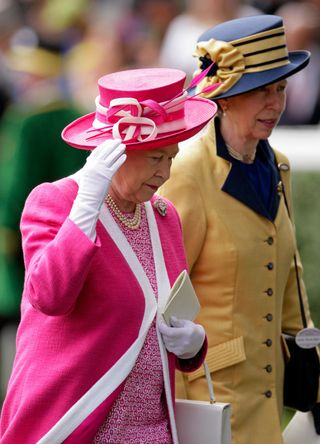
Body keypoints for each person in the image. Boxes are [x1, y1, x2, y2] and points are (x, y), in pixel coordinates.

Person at [0, 66, 217, 443]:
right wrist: (86, 204)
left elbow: (163, 315)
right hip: (79, 424)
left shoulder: (164, 217)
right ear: (115, 151)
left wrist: (194, 345)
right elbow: (49, 297)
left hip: (154, 430)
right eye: (155, 158)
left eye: (172, 157)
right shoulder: (55, 201)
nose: (166, 172)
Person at [159, 14, 319, 444]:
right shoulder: (187, 173)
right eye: (262, 91)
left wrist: (309, 354)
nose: (276, 103)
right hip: (211, 398)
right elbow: (164, 303)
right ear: (225, 97)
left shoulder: (276, 164)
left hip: (269, 401)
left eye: (281, 88)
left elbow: (287, 272)